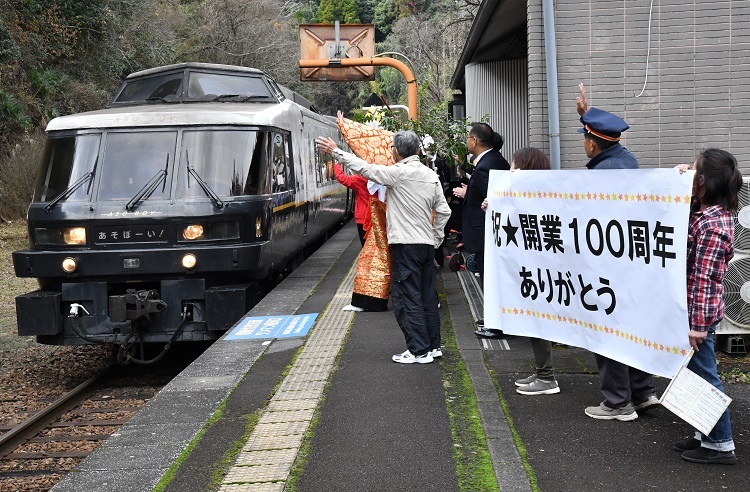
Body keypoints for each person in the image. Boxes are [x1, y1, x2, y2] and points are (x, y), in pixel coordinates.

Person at [315, 131, 451, 364]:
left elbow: (365, 168)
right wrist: (436, 238)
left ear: (396, 151)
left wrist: (335, 151)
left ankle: (418, 350)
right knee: (428, 295)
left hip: (405, 245)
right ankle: (433, 346)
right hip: (426, 246)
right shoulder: (430, 175)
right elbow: (444, 211)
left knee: (407, 298)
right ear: (418, 150)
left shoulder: (398, 173)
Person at [576, 83, 658, 421]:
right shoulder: (625, 160)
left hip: (608, 266)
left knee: (608, 331)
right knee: (631, 326)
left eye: (584, 137)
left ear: (592, 144)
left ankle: (617, 403)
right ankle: (642, 391)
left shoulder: (603, 175)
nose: (583, 143)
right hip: (633, 264)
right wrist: (587, 115)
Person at [674, 149, 741, 464]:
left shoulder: (713, 225)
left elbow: (705, 279)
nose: (691, 176)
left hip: (698, 313)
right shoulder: (707, 212)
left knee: (704, 375)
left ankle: (721, 444)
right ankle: (705, 433)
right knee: (693, 373)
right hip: (693, 310)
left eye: (695, 172)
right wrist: (677, 183)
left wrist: (698, 325)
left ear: (705, 182)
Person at [481, 147, 560, 395]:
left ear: (527, 169)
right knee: (533, 320)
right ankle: (541, 372)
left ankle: (547, 378)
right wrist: (493, 208)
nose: (511, 171)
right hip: (531, 268)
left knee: (539, 321)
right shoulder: (530, 193)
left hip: (540, 269)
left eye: (515, 167)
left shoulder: (540, 195)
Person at [453, 123, 510, 338]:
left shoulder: (488, 163)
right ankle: (493, 318)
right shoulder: (491, 160)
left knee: (490, 276)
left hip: (487, 231)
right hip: (485, 230)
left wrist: (470, 195)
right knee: (488, 275)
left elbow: (494, 197)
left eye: (468, 137)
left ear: (474, 141)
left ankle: (498, 325)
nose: (467, 141)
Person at [333, 162, 370, 246]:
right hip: (374, 215)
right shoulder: (374, 179)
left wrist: (336, 165)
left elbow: (342, 178)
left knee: (365, 245)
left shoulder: (359, 180)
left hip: (363, 217)